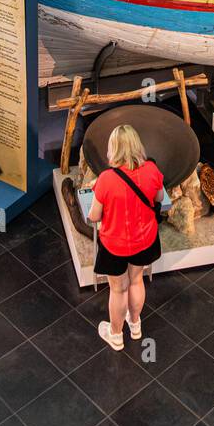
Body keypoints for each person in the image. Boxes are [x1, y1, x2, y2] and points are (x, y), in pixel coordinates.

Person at [88, 124, 163, 351]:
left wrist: (98, 190)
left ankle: (116, 335)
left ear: (114, 149)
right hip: (144, 239)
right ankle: (136, 325)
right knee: (137, 280)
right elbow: (158, 197)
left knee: (119, 289)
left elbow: (94, 216)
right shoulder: (151, 170)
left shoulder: (106, 179)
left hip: (115, 244)